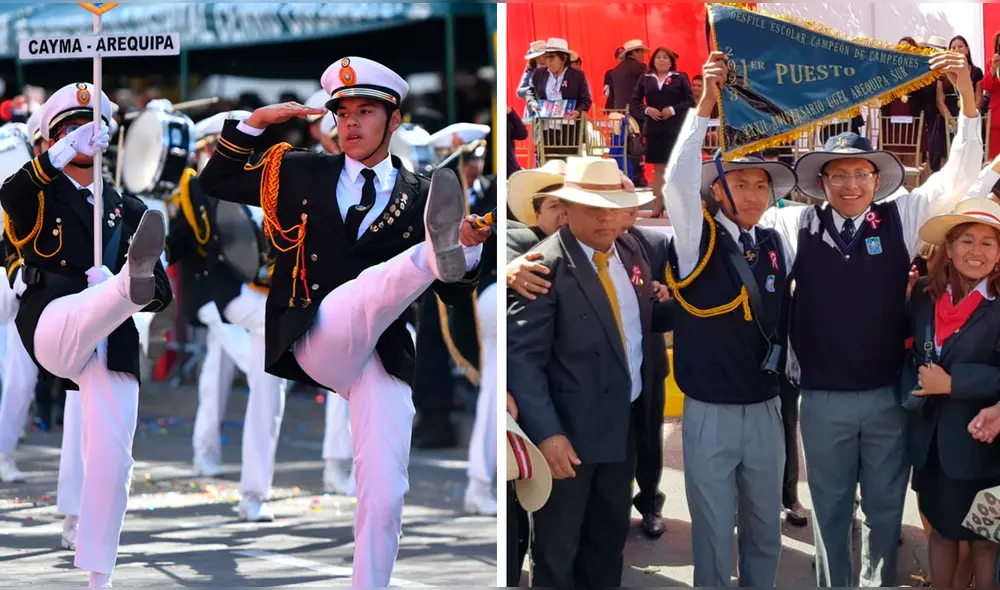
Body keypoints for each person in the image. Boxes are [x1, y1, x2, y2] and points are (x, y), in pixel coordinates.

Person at [197, 56, 489, 587]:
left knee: (385, 490)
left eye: (366, 111)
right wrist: (256, 123)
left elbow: (452, 295)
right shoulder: (298, 168)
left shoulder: (423, 191)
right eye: (342, 111)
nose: (350, 122)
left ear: (394, 119)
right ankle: (430, 252)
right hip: (315, 334)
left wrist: (467, 254)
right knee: (365, 293)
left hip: (383, 350)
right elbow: (216, 180)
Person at [759, 48, 982, 586]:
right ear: (823, 180)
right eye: (839, 175)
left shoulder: (901, 218)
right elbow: (730, 230)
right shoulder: (792, 225)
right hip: (822, 398)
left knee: (885, 512)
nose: (850, 185)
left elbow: (959, 175)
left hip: (887, 395)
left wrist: (966, 101)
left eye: (861, 174)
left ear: (876, 179)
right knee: (831, 512)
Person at [0, 82, 173, 587]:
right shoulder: (39, 193)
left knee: (113, 460)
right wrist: (54, 157)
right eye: (70, 129)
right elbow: (9, 196)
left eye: (89, 128)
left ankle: (100, 574)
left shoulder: (130, 208)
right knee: (97, 303)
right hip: (53, 321)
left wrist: (139, 288)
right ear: (53, 139)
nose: (82, 137)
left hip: (112, 338)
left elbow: (162, 292)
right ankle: (120, 287)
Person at [663, 52, 798, 587]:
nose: (753, 194)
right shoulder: (699, 238)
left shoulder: (773, 240)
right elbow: (676, 183)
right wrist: (705, 105)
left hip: (766, 408)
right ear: (716, 190)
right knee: (715, 530)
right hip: (711, 412)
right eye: (741, 183)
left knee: (766, 527)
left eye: (762, 186)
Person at [508, 156, 669, 587]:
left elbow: (637, 329)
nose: (604, 217)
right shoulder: (542, 267)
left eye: (613, 206)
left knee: (607, 543)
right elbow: (522, 361)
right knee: (558, 551)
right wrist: (548, 434)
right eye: (591, 206)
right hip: (570, 438)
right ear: (566, 209)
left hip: (625, 427)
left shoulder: (633, 249)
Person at [904, 197, 1000, 588]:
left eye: (987, 243)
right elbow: (911, 354)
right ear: (949, 247)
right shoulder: (926, 294)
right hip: (931, 444)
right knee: (941, 532)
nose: (975, 252)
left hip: (986, 442)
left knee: (984, 539)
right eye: (966, 241)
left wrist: (955, 383)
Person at [632, 46, 694, 218]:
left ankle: (677, 205)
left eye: (665, 57)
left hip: (675, 128)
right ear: (653, 61)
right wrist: (647, 110)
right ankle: (658, 204)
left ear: (671, 61)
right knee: (658, 169)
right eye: (658, 57)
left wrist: (673, 110)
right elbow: (635, 102)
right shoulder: (645, 78)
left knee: (676, 167)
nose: (661, 60)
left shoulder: (680, 78)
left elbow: (689, 101)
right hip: (654, 129)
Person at [528, 38, 592, 159]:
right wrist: (532, 103)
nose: (548, 61)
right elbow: (530, 92)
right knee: (547, 163)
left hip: (569, 130)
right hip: (545, 128)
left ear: (564, 58)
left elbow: (586, 100)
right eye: (546, 57)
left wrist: (577, 112)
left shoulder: (577, 76)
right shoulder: (539, 74)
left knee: (568, 165)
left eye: (552, 57)